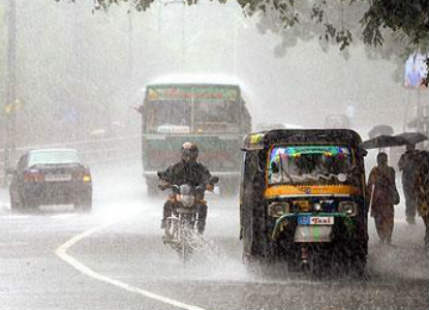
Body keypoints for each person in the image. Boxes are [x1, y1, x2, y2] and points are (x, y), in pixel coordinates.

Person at [158, 142, 213, 234]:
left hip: (195, 196)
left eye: (191, 153)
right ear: (182, 154)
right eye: (186, 154)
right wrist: (164, 182)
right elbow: (166, 175)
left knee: (203, 206)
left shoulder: (200, 168)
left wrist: (209, 184)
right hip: (178, 195)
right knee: (168, 203)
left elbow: (207, 177)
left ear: (196, 154)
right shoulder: (175, 167)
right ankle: (166, 223)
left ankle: (200, 227)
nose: (188, 157)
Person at [367, 152, 399, 245]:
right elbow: (393, 184)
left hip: (379, 198)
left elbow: (369, 185)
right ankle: (387, 238)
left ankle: (384, 237)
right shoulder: (390, 170)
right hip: (386, 198)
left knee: (380, 219)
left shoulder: (375, 171)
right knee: (387, 218)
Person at [398, 144, 420, 224]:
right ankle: (410, 216)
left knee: (415, 198)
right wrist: (405, 164)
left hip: (416, 181)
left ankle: (414, 214)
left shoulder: (418, 155)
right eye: (408, 146)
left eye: (411, 146)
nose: (409, 148)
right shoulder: (404, 156)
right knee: (409, 199)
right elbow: (400, 167)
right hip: (407, 182)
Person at [414, 150, 429, 255]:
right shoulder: (418, 172)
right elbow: (415, 187)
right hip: (422, 201)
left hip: (425, 200)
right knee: (427, 222)